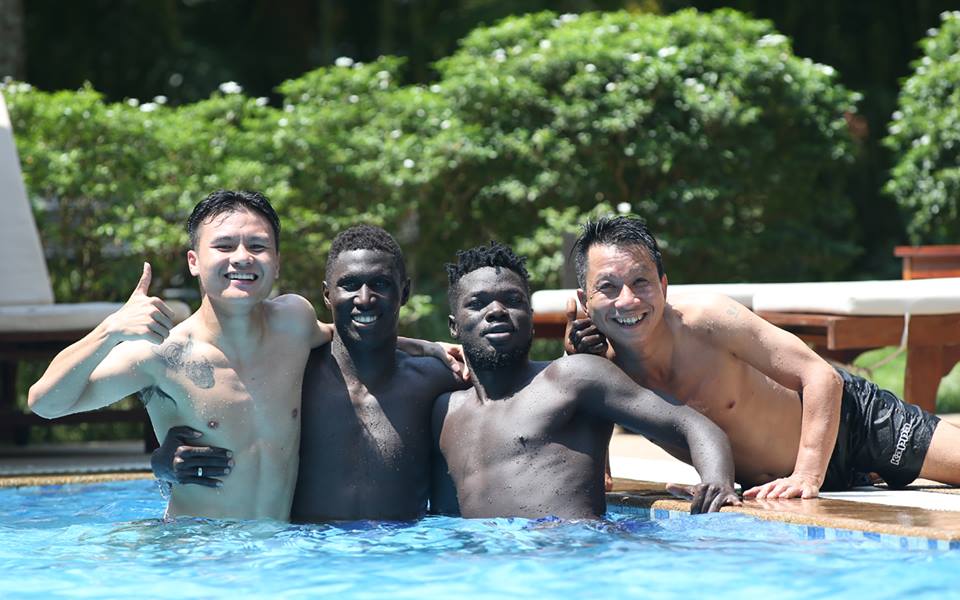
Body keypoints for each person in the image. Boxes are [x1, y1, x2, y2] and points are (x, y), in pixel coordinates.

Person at [565, 215, 960, 500]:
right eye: (608, 287)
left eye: (641, 282)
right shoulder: (603, 369)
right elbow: (598, 481)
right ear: (585, 300)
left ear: (664, 286)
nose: (628, 300)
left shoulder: (709, 319)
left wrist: (807, 475)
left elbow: (822, 377)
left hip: (853, 423)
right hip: (772, 486)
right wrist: (581, 370)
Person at [29, 190, 330, 520]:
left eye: (258, 246)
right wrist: (110, 330)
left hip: (279, 544)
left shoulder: (295, 321)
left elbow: (352, 339)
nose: (242, 257)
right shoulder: (162, 354)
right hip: (196, 544)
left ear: (277, 262)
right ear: (194, 262)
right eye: (224, 246)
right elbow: (45, 404)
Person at [152, 225, 470, 521]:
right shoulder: (293, 374)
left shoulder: (435, 379)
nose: (364, 299)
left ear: (405, 291)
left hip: (405, 549)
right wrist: (161, 463)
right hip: (309, 551)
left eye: (381, 284)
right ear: (327, 294)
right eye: (349, 285)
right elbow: (241, 442)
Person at [431, 242, 739, 519]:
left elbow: (694, 425)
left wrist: (717, 481)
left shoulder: (573, 378)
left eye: (512, 300)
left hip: (572, 554)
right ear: (454, 326)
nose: (497, 311)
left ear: (531, 317)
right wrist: (425, 347)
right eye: (477, 303)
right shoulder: (443, 411)